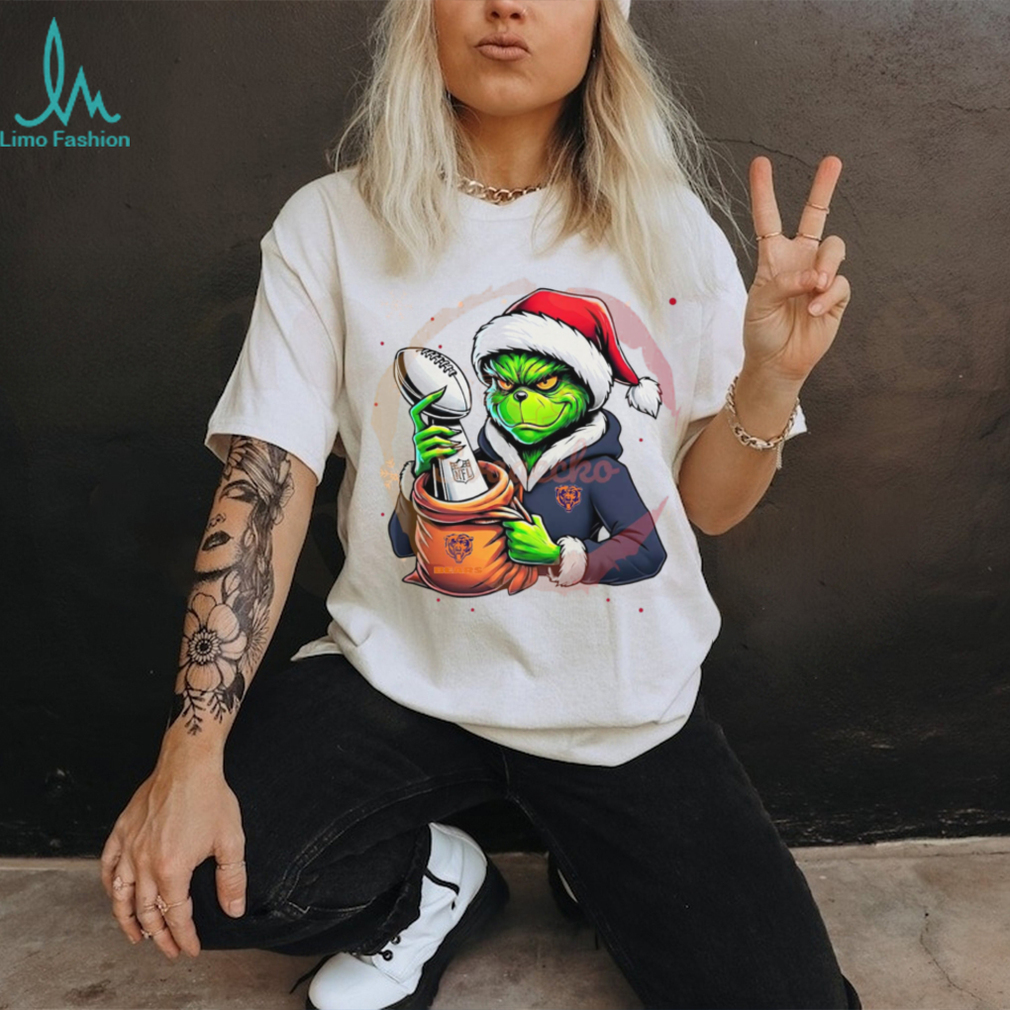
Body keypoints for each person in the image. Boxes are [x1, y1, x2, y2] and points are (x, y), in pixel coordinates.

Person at [100, 1, 859, 1008]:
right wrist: (187, 757)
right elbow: (265, 488)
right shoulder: (331, 224)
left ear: (603, 22)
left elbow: (706, 512)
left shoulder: (669, 229)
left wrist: (770, 377)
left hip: (616, 713)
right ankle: (431, 888)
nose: (506, 5)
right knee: (200, 874)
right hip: (397, 679)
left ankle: (597, 863)